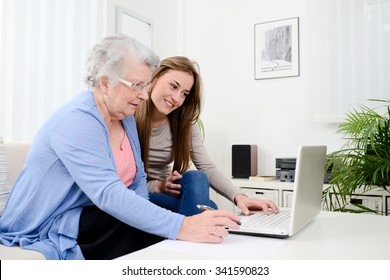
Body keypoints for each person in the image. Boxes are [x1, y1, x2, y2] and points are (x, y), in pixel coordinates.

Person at [0, 35, 240, 260]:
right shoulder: (77, 119)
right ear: (105, 83)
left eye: (145, 85)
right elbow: (108, 194)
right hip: (53, 221)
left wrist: (170, 221)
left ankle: (190, 252)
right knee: (152, 224)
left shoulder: (124, 116)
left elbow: (137, 183)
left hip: (92, 212)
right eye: (136, 85)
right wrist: (183, 226)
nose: (144, 95)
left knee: (161, 215)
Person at [135, 56, 279, 216]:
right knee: (209, 206)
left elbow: (207, 167)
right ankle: (196, 232)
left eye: (184, 94)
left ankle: (192, 232)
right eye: (173, 86)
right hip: (138, 192)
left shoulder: (184, 122)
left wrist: (239, 197)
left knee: (197, 178)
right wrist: (157, 186)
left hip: (166, 191)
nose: (176, 98)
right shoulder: (129, 113)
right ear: (154, 77)